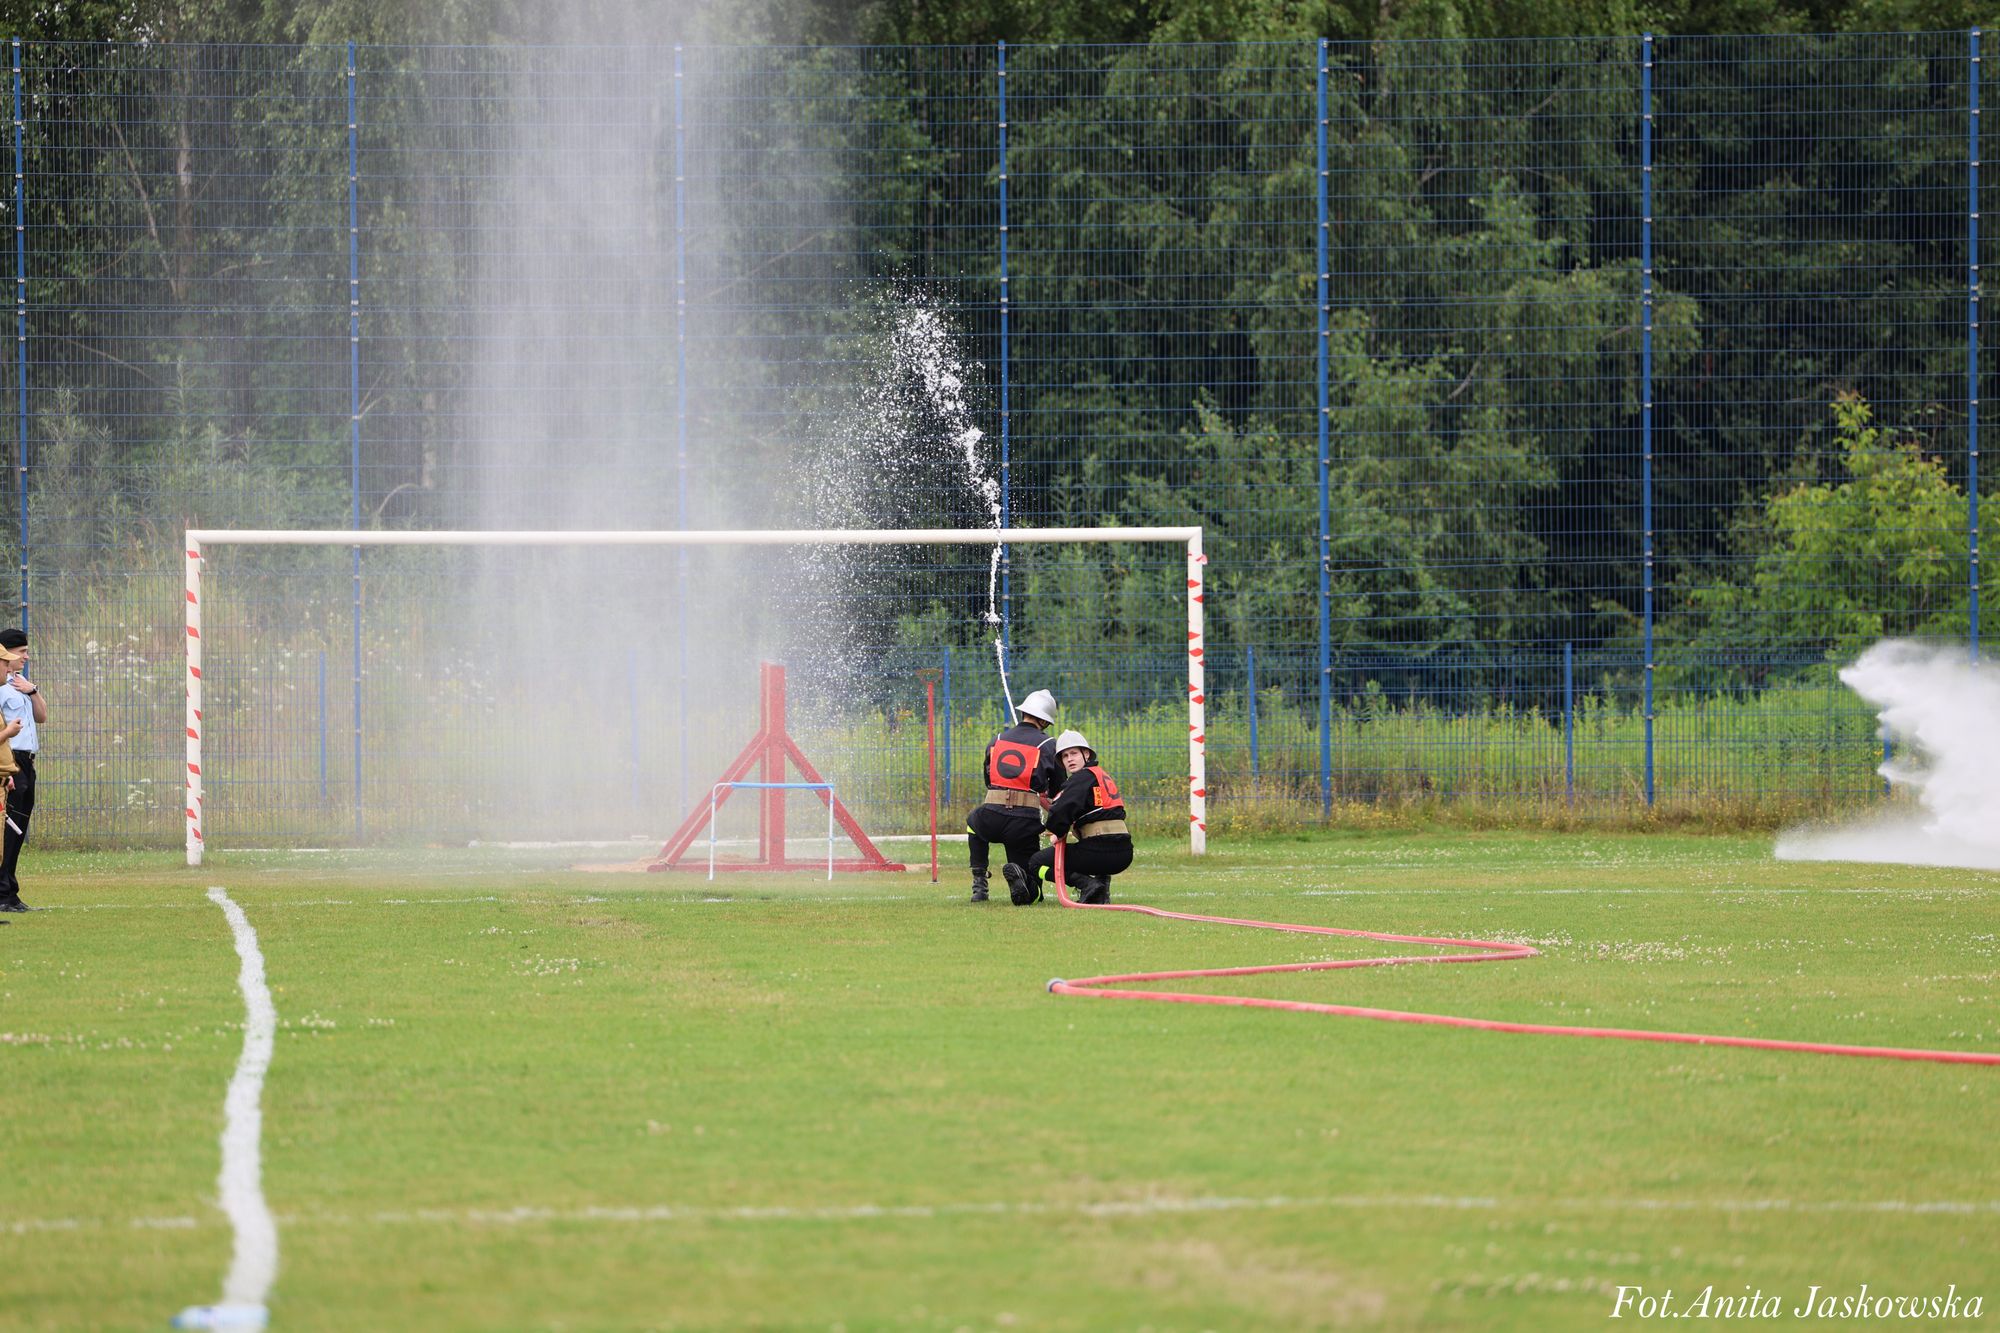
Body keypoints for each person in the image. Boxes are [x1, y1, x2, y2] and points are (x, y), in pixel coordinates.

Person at [1009, 729, 1131, 907]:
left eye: (1074, 753)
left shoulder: (1081, 777)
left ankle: (1087, 885)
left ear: (1086, 754)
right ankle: (1102, 890)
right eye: (1065, 756)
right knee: (1089, 850)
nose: (1069, 759)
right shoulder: (1101, 776)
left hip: (1099, 851)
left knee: (1037, 863)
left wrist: (1056, 832)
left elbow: (1061, 811)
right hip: (1124, 853)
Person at [964, 688, 1062, 903]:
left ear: (1023, 713)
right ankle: (1021, 877)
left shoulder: (996, 740)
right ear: (1045, 721)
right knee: (1033, 893)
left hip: (991, 816)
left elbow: (989, 782)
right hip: (1024, 823)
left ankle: (979, 884)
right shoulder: (1048, 745)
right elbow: (1057, 791)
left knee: (973, 823)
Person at [0, 629, 46, 913]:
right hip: (10, 761)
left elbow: (42, 717)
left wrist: (33, 690)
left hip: (26, 761)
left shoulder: (22, 685)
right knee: (9, 830)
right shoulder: (0, 687)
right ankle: (3, 893)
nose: (25, 657)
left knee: (18, 830)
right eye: (21, 653)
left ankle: (10, 891)